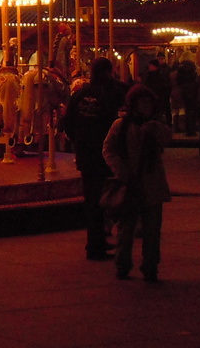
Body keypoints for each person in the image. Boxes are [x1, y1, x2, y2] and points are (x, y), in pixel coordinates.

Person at [102, 84, 171, 283]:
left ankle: (150, 266)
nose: (146, 105)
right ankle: (122, 265)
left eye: (149, 102)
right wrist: (121, 171)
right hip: (130, 184)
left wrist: (156, 129)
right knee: (126, 230)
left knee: (152, 230)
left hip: (152, 184)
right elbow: (109, 149)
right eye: (143, 102)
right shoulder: (121, 125)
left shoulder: (154, 124)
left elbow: (168, 138)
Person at [62, 56, 125, 261]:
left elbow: (68, 122)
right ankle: (101, 240)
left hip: (86, 152)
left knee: (92, 199)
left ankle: (95, 240)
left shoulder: (80, 95)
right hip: (105, 152)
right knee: (111, 195)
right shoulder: (113, 93)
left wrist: (78, 141)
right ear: (108, 71)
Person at [142, 58, 172, 127]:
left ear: (154, 66)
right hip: (156, 98)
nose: (149, 67)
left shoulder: (155, 76)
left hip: (158, 98)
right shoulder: (151, 75)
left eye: (150, 65)